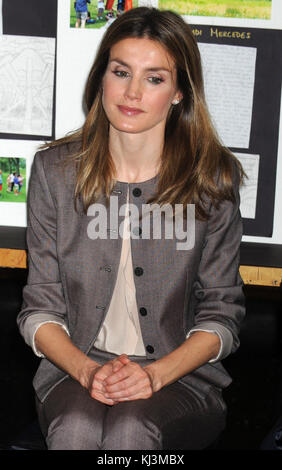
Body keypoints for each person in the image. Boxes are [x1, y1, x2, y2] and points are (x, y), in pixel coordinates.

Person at [18, 7, 245, 450]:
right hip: (75, 369)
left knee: (130, 430)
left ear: (179, 92)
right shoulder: (54, 172)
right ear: (102, 76)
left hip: (180, 378)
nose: (133, 92)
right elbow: (39, 309)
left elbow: (223, 314)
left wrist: (153, 375)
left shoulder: (212, 180)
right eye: (121, 72)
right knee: (77, 429)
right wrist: (86, 370)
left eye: (155, 78)